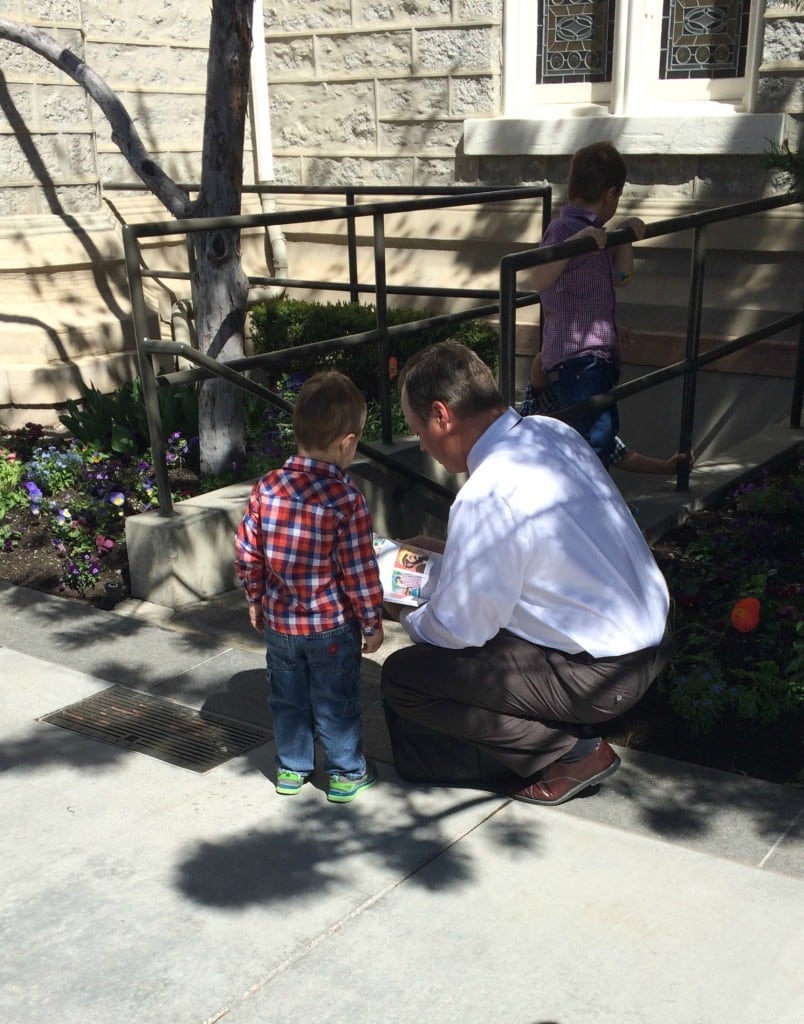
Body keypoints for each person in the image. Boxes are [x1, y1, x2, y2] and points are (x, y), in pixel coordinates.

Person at [381, 341, 672, 805]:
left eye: (418, 430)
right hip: (652, 642)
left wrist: (400, 611)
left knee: (406, 677)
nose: (421, 445)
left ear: (442, 416)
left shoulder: (486, 492)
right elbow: (536, 551)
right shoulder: (551, 432)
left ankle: (571, 753)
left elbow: (458, 631)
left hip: (603, 677)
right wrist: (448, 553)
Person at [235, 370, 384, 803]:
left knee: (287, 697)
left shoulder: (267, 487)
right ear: (347, 442)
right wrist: (372, 620)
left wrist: (255, 596)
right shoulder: (345, 498)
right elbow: (359, 570)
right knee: (336, 699)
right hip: (331, 627)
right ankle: (344, 772)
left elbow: (248, 551)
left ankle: (291, 768)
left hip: (281, 624)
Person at [535, 140, 646, 468]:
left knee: (599, 433)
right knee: (594, 440)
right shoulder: (565, 228)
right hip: (576, 361)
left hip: (593, 358)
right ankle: (590, 507)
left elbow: (621, 278)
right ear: (611, 195)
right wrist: (572, 245)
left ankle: (591, 505)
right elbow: (539, 279)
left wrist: (625, 237)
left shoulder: (597, 233)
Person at [520, 352, 695, 476]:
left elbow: (620, 454)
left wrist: (666, 467)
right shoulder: (543, 404)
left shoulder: (591, 411)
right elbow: (540, 362)